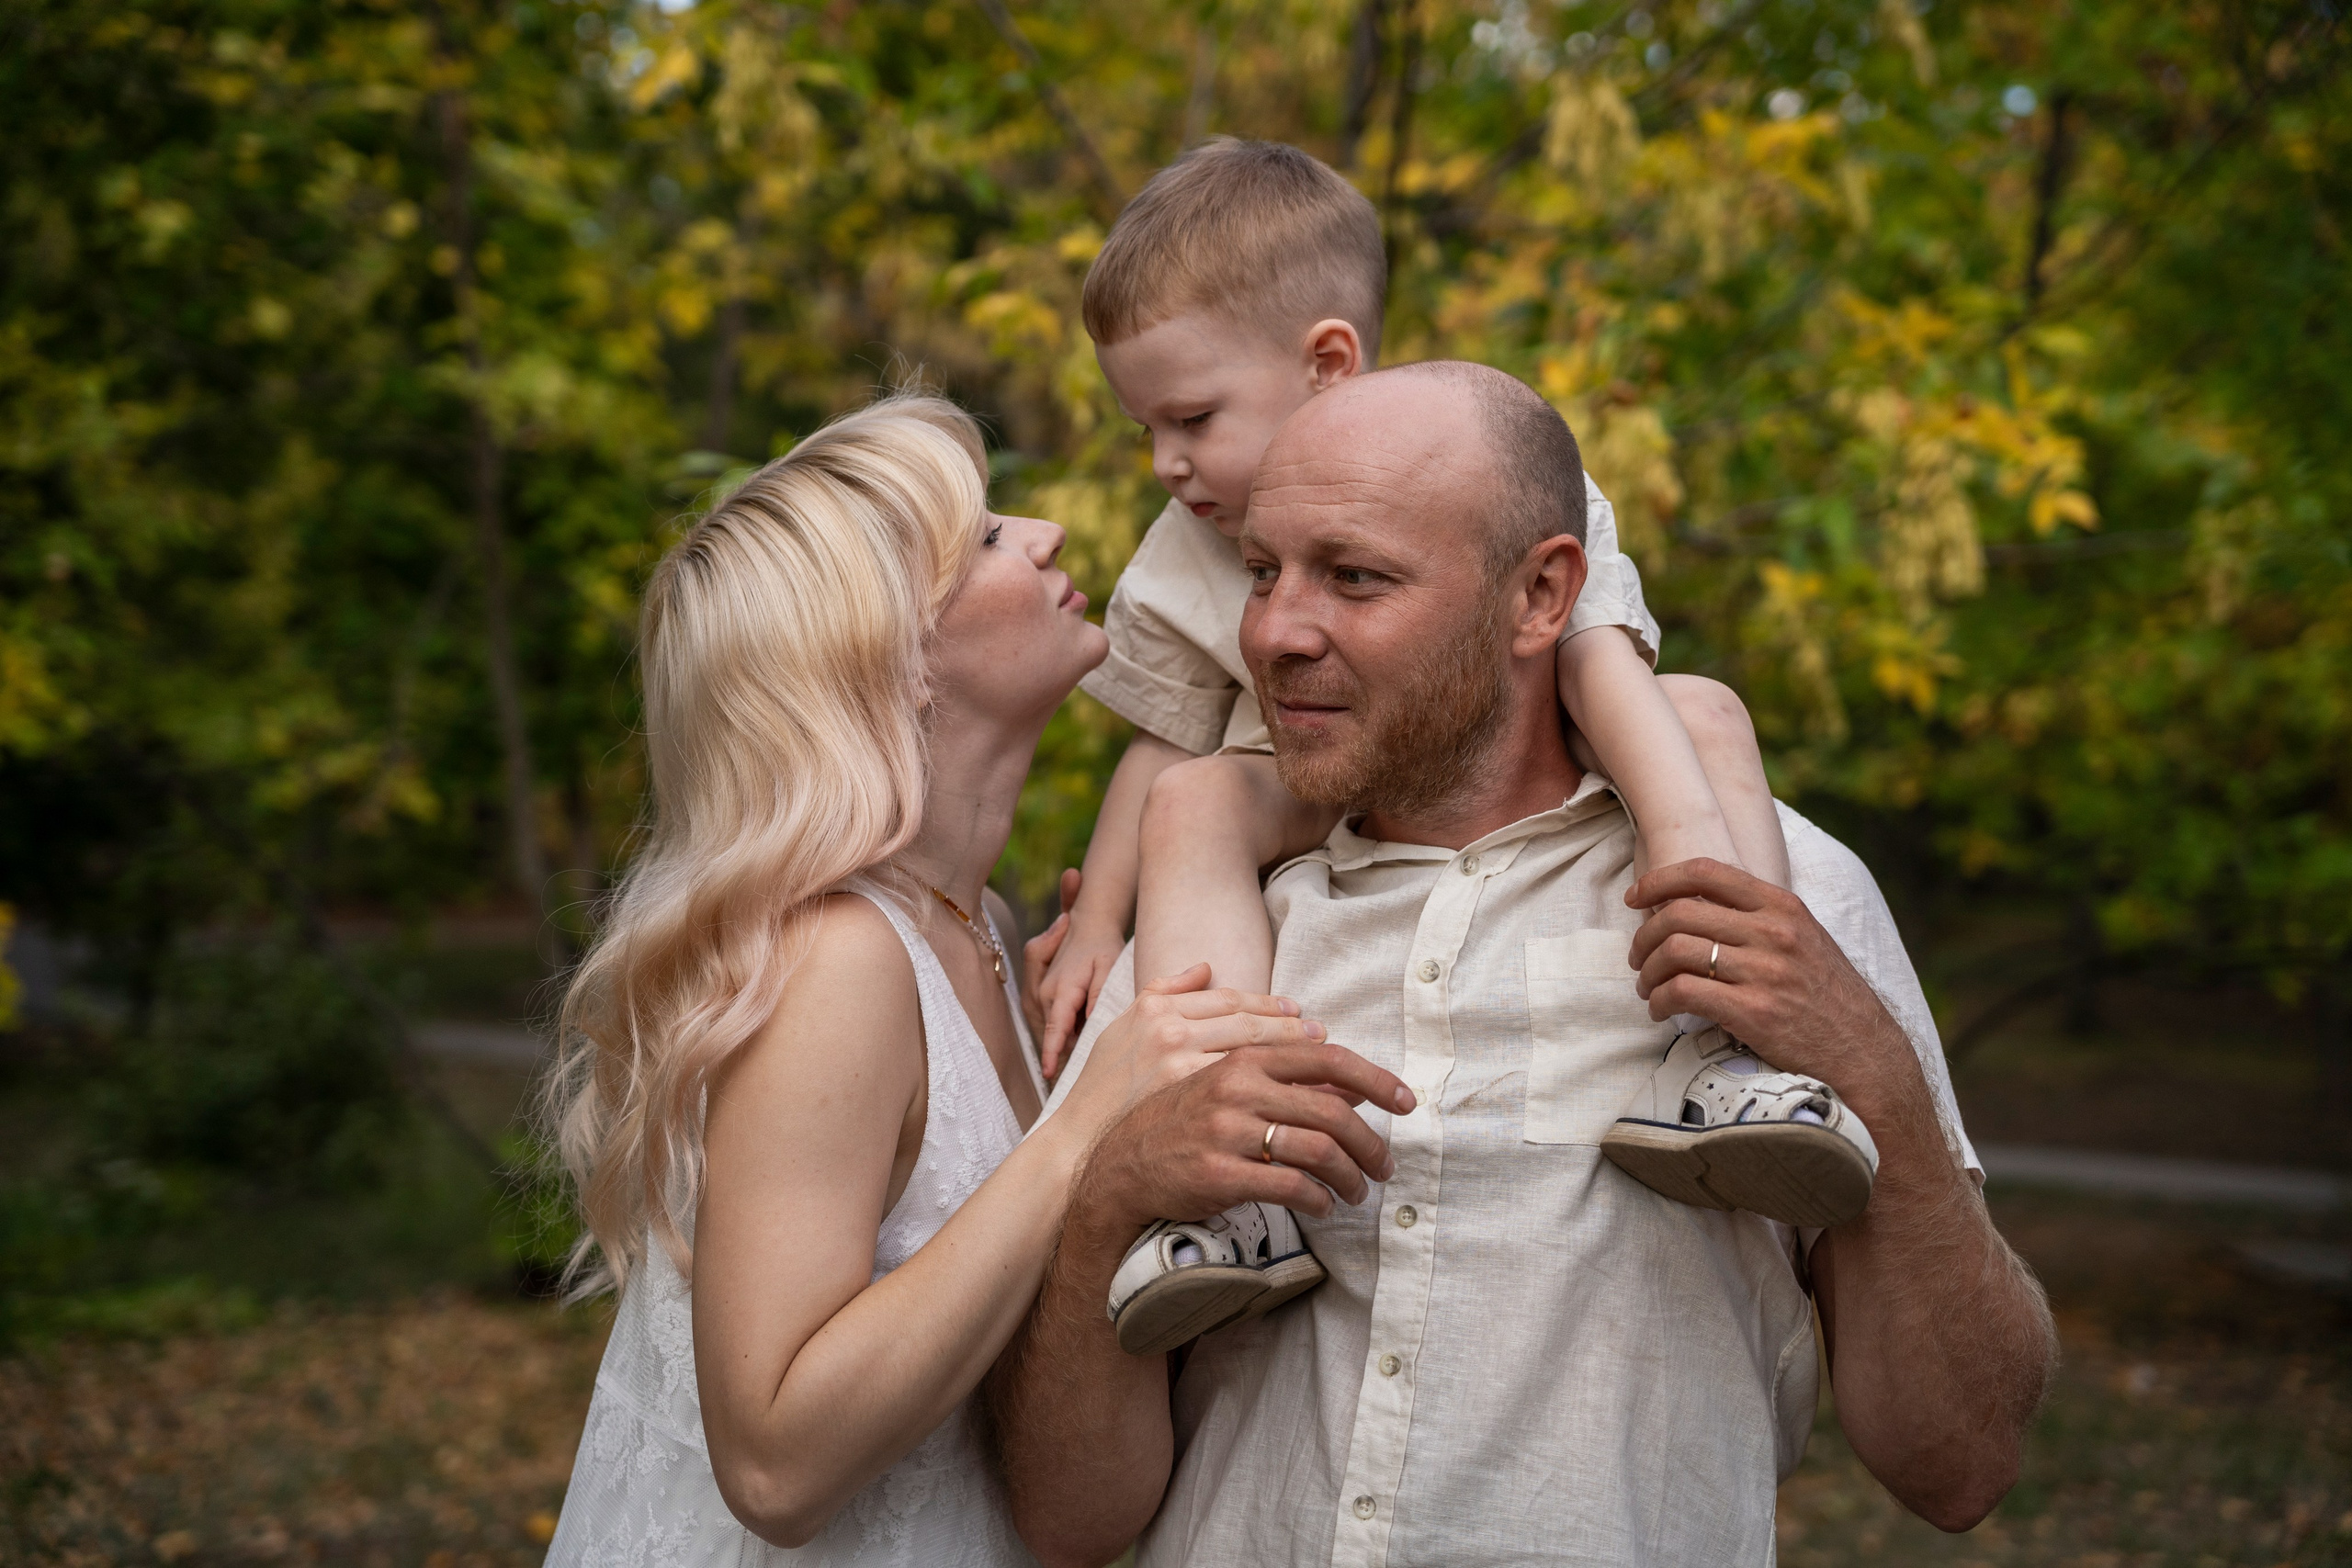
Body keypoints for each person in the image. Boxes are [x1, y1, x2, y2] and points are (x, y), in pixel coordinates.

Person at [994, 364, 2060, 1566]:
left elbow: (1961, 1464)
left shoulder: (1779, 898)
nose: (1276, 632)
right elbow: (1065, 1521)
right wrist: (1111, 1201)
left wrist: (1871, 1071)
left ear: (1542, 592)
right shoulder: (1206, 928)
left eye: (1355, 576)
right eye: (1260, 571)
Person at [1027, 140, 1877, 1358]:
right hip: (1307, 782)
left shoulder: (1485, 464)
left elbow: (1599, 667)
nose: (1166, 461)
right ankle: (1233, 1179)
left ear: (1326, 363)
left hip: (1502, 742)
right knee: (1195, 803)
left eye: (1192, 418)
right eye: (1147, 427)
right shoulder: (1183, 540)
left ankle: (1733, 1056)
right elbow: (1161, 748)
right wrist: (1100, 921)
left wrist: (1687, 844)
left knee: (1700, 711)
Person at [536, 394, 1374, 1566]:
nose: (1042, 533)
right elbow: (774, 1464)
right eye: (984, 538)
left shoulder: (972, 926)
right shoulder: (836, 956)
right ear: (895, 658)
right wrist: (1086, 1119)